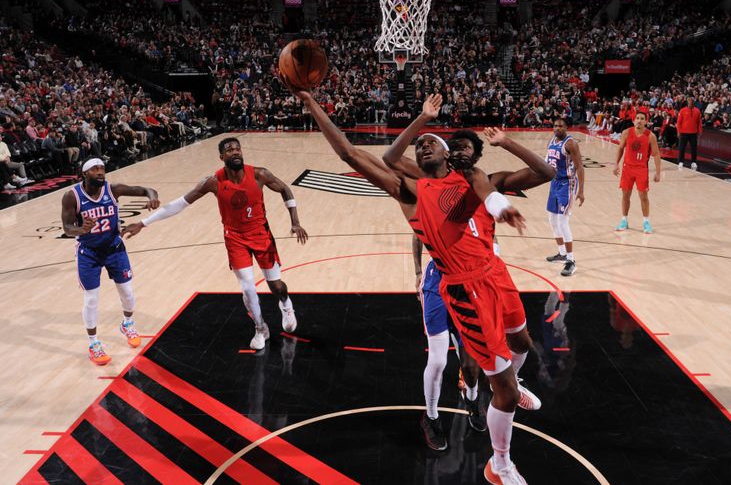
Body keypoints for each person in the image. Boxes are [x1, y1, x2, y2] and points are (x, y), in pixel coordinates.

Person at [295, 86, 533, 484]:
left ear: (447, 154)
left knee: (514, 355)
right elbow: (351, 154)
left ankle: (496, 404)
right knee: (479, 377)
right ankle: (493, 459)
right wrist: (311, 103)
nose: (424, 147)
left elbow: (487, 189)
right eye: (419, 145)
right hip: (459, 287)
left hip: (492, 276)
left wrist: (501, 206)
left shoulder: (470, 176)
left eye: (431, 143)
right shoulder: (411, 190)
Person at [406, 124, 554, 449]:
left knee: (476, 362)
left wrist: (507, 142)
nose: (459, 151)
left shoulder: (488, 182)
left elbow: (545, 172)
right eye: (454, 146)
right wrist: (418, 268)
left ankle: (476, 397)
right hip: (443, 279)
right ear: (446, 153)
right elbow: (418, 229)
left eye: (466, 147)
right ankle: (431, 417)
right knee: (437, 360)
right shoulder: (432, 183)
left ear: (477, 155)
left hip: (479, 281)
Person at [122, 138, 308, 350]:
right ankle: (260, 328)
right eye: (229, 150)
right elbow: (179, 204)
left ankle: (285, 304)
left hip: (261, 234)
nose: (235, 152)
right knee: (247, 287)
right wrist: (143, 223)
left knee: (276, 286)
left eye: (238, 148)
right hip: (234, 238)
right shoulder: (213, 182)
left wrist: (295, 222)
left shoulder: (259, 174)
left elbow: (285, 189)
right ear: (222, 157)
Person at [60, 158, 159, 365]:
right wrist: (82, 230)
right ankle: (94, 343)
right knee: (91, 299)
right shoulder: (72, 196)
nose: (100, 172)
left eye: (102, 169)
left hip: (115, 248)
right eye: (95, 169)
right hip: (89, 253)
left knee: (128, 294)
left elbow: (146, 190)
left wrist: (153, 197)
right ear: (84, 174)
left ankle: (127, 323)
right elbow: (68, 228)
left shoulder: (113, 189)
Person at [544, 118, 585, 276]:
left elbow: (580, 167)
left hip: (567, 185)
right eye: (555, 125)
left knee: (562, 222)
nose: (557, 128)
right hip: (554, 183)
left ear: (566, 127)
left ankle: (571, 261)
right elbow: (547, 162)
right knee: (552, 220)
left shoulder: (571, 144)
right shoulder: (552, 141)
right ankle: (561, 253)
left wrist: (581, 190)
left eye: (560, 126)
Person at [613, 112, 662, 234]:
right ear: (634, 120)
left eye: (642, 119)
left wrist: (658, 172)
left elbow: (656, 154)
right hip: (627, 168)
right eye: (637, 118)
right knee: (625, 195)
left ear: (646, 122)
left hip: (641, 169)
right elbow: (620, 148)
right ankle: (624, 220)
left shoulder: (651, 136)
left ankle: (646, 222)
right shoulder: (626, 133)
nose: (639, 121)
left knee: (643, 197)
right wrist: (616, 164)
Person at [676, 97, 702, 170]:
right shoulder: (682, 110)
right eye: (690, 101)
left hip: (693, 133)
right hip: (683, 132)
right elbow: (679, 122)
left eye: (692, 101)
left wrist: (700, 131)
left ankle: (693, 162)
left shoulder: (697, 111)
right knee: (681, 148)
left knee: (694, 148)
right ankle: (681, 162)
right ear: (687, 102)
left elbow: (699, 122)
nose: (691, 102)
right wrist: (678, 131)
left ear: (694, 102)